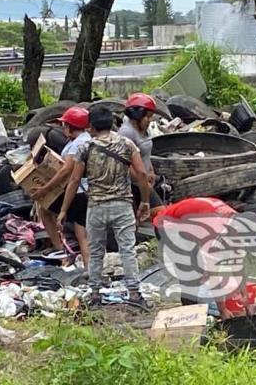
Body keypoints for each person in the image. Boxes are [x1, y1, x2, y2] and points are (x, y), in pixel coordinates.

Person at [58, 106, 151, 308]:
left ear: (90, 126)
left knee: (96, 251)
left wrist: (64, 210)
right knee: (127, 250)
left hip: (96, 206)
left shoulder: (85, 148)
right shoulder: (127, 144)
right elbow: (142, 174)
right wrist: (144, 201)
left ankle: (95, 295)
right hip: (122, 205)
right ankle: (134, 294)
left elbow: (74, 180)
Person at [153, 197, 256, 320]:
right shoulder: (215, 229)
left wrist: (247, 302)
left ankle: (197, 310)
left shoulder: (235, 222)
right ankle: (189, 318)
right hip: (168, 226)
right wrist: (223, 310)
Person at [33, 106, 91, 267]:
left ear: (70, 126)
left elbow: (66, 171)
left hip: (78, 191)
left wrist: (46, 189)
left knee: (44, 210)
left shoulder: (78, 144)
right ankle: (88, 270)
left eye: (64, 125)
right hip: (86, 190)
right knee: (82, 233)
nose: (62, 128)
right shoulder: (84, 139)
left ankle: (62, 253)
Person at [118, 93, 165, 220]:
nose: (150, 121)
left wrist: (151, 171)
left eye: (151, 117)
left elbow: (146, 154)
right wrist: (141, 181)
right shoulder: (127, 132)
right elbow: (125, 163)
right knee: (159, 214)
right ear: (136, 115)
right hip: (133, 183)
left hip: (145, 179)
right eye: (147, 117)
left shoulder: (145, 129)